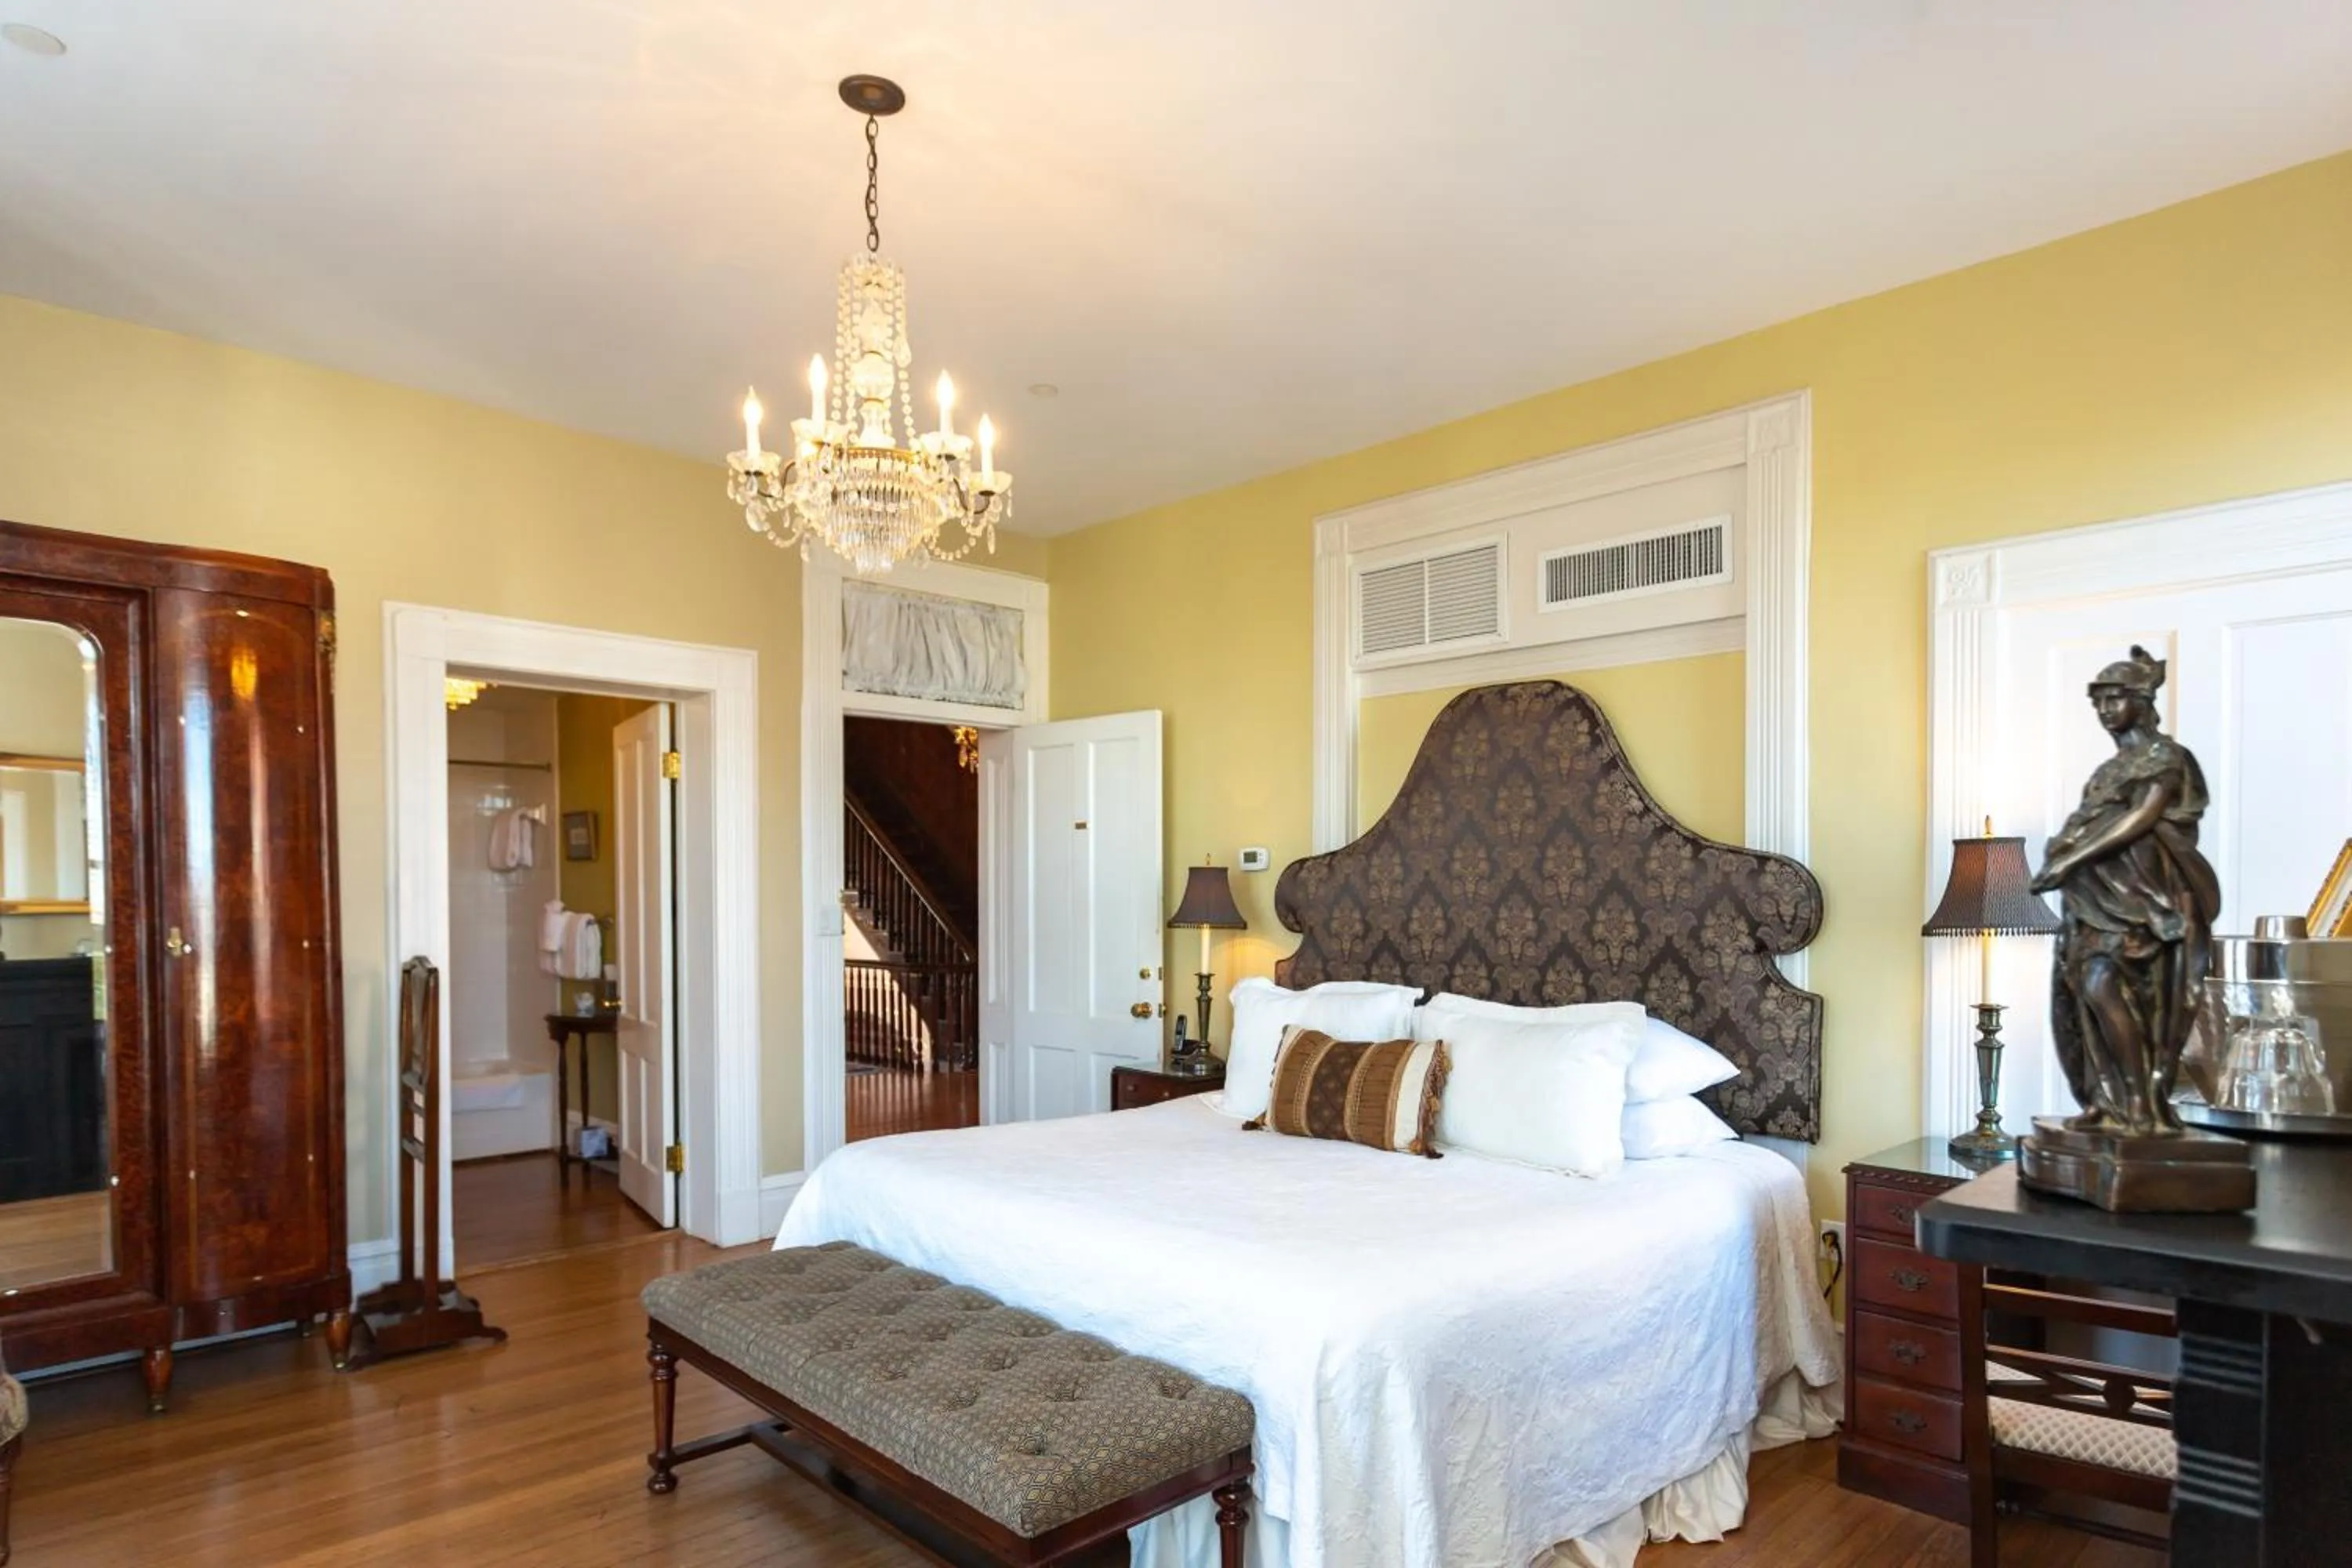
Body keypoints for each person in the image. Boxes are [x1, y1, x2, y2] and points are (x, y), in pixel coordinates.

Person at [2030, 646, 2221, 1134]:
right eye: (2099, 703)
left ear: (2141, 698)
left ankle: (2140, 1103)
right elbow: (2093, 820)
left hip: (2142, 900)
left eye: (2115, 699)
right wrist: (2065, 855)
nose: (2105, 710)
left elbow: (2142, 818)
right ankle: (2105, 1098)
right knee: (2082, 996)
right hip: (2093, 898)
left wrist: (2070, 858)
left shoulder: (2166, 757)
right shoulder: (2107, 770)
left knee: (2110, 989)